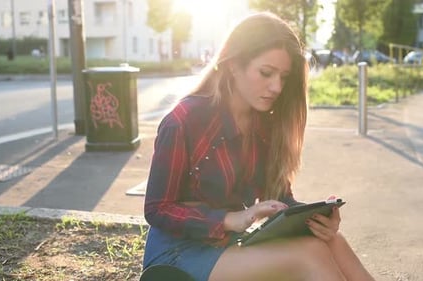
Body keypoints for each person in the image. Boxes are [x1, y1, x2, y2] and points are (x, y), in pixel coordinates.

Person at [143, 12, 375, 281]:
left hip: (229, 246)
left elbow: (280, 199)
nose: (276, 87)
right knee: (308, 255)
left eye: (284, 77)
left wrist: (315, 219)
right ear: (233, 65)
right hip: (177, 257)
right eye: (266, 73)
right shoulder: (184, 121)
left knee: (331, 241)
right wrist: (230, 219)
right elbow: (157, 208)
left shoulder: (264, 124)